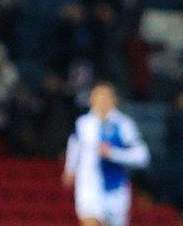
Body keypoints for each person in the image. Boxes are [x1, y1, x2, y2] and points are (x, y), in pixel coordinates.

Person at [63, 81, 150, 226]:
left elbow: (142, 156)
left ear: (114, 100)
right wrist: (69, 169)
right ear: (91, 99)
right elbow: (74, 145)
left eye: (106, 96)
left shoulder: (123, 125)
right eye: (98, 96)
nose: (101, 100)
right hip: (89, 187)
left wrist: (112, 153)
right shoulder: (83, 123)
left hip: (115, 191)